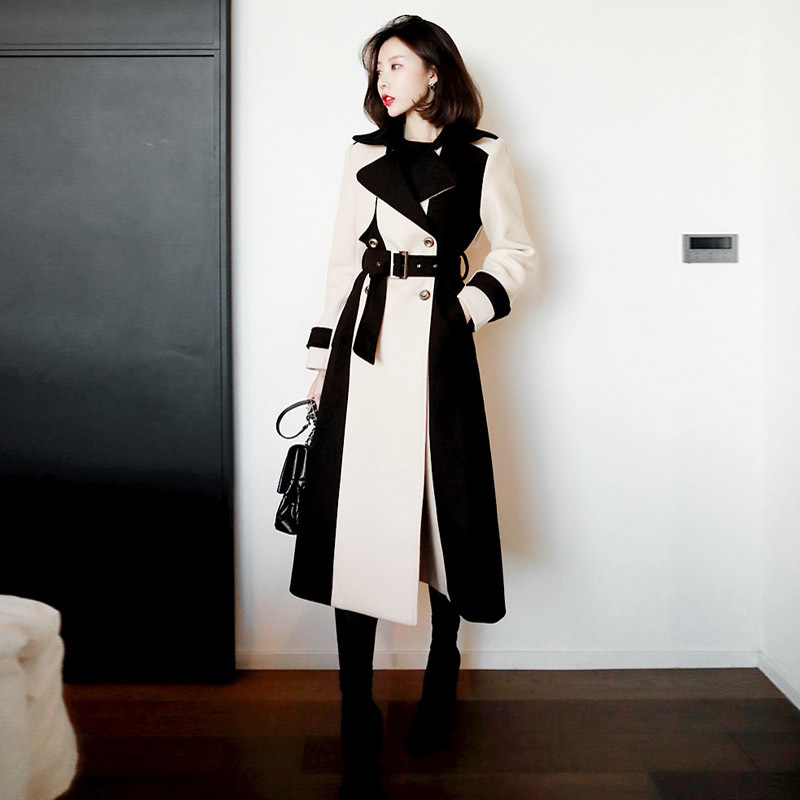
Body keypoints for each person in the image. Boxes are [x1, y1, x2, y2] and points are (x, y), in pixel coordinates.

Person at [288, 14, 537, 798]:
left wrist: (465, 310)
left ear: (434, 71)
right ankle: (355, 707)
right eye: (377, 68)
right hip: (365, 350)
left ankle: (441, 668)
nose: (382, 80)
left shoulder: (483, 155)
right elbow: (339, 267)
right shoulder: (363, 156)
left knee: (444, 516)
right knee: (356, 527)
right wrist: (319, 364)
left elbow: (518, 252)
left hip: (438, 350)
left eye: (395, 64)